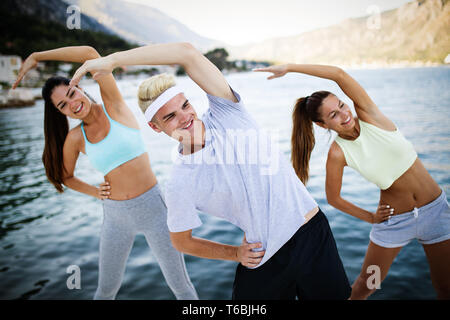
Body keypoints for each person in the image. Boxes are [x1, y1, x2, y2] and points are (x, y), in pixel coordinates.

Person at [70, 42, 352, 300]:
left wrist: (113, 60)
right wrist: (234, 253)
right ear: (156, 127)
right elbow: (181, 241)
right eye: (170, 116)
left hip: (311, 237)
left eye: (185, 105)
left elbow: (186, 53)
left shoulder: (226, 112)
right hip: (262, 256)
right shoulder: (180, 182)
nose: (185, 117)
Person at [13, 46, 198, 300]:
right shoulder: (75, 138)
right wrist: (94, 191)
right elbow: (66, 176)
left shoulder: (113, 105)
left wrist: (35, 57)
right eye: (63, 105)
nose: (72, 104)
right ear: (60, 112)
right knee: (106, 290)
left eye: (71, 93)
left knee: (180, 285)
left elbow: (90, 53)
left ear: (79, 85)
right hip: (115, 217)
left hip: (154, 208)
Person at [254, 63, 450, 299]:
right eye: (333, 115)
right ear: (322, 125)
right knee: (367, 285)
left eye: (342, 105)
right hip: (394, 225)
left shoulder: (370, 115)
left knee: (445, 286)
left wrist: (290, 68)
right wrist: (370, 217)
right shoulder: (338, 153)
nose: (345, 114)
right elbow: (333, 198)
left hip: (436, 213)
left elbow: (339, 74)